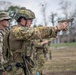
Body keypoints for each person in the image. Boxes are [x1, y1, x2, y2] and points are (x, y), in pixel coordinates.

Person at [3, 8, 68, 75]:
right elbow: (36, 32)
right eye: (30, 20)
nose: (32, 22)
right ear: (22, 20)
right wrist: (57, 28)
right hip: (17, 69)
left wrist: (56, 30)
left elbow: (37, 34)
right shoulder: (17, 31)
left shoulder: (17, 30)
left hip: (21, 67)